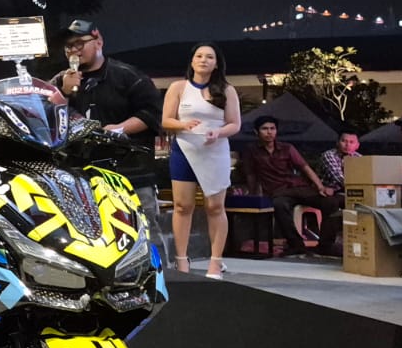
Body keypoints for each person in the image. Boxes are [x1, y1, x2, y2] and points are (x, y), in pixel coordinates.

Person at [52, 20, 167, 259]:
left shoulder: (127, 75)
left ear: (99, 41)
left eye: (79, 43)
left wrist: (118, 129)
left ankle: (162, 275)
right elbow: (46, 119)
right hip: (80, 176)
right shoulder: (60, 82)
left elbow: (152, 114)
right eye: (68, 47)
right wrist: (63, 93)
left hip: (131, 173)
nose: (74, 51)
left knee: (144, 233)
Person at [161, 43, 241, 279]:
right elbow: (166, 120)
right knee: (182, 206)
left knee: (215, 207)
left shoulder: (227, 90)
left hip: (215, 151)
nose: (203, 60)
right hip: (184, 150)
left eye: (209, 57)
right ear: (192, 61)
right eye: (199, 56)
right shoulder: (178, 87)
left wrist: (219, 132)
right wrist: (182, 124)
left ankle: (215, 263)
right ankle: (181, 261)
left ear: (216, 64)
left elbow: (235, 124)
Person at [240, 116, 343, 258]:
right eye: (265, 129)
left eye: (272, 128)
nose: (269, 132)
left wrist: (320, 187)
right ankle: (296, 245)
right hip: (278, 191)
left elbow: (305, 167)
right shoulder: (251, 151)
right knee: (279, 205)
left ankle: (325, 246)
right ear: (256, 132)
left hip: (299, 187)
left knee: (331, 202)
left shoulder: (287, 148)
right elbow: (251, 175)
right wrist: (253, 196)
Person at [315, 127, 362, 193]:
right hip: (325, 191)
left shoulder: (359, 157)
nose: (347, 145)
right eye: (344, 141)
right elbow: (338, 178)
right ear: (337, 142)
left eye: (351, 142)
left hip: (348, 190)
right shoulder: (329, 155)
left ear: (357, 145)